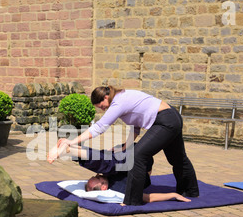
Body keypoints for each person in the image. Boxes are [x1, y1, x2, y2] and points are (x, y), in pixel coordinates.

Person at [48, 86, 199, 206]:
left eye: (101, 106)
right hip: (170, 117)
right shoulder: (121, 99)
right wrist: (125, 146)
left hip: (166, 120)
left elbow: (99, 127)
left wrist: (72, 141)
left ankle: (133, 201)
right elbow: (135, 126)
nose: (102, 109)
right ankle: (190, 191)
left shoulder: (118, 102)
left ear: (106, 97)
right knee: (178, 159)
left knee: (138, 155)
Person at [48, 138, 191, 203]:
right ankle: (69, 149)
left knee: (105, 161)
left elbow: (100, 158)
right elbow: (148, 198)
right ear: (103, 187)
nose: (98, 175)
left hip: (125, 153)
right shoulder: (122, 190)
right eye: (98, 178)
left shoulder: (110, 179)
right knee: (107, 163)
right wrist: (172, 194)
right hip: (142, 162)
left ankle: (70, 149)